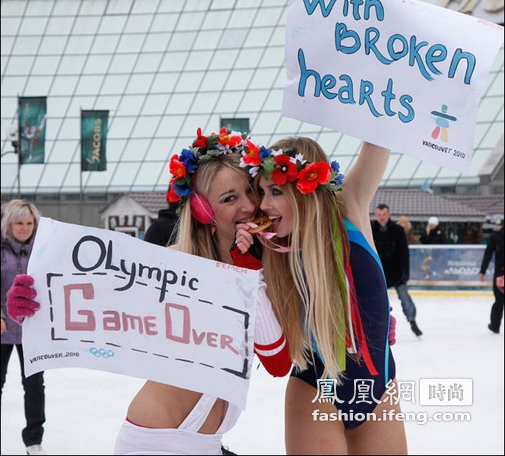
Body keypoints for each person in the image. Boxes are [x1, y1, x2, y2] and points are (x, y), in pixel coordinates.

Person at [7, 128, 291, 456]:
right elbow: (97, 300)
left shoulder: (267, 264)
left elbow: (277, 361)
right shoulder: (173, 266)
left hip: (208, 443)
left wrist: (248, 270)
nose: (248, 206)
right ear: (201, 211)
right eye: (229, 198)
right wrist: (36, 302)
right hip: (156, 440)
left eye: (250, 192)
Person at [236, 137, 406, 454]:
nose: (263, 205)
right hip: (315, 390)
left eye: (275, 191)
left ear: (304, 187)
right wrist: (244, 261)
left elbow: (381, 139)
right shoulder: (267, 252)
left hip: (379, 390)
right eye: (261, 192)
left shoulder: (348, 206)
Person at [1, 200, 46, 456]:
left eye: (29, 223)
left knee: (34, 385)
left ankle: (34, 440)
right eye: (20, 222)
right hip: (3, 328)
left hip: (32, 329)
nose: (25, 227)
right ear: (10, 224)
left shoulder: (41, 249)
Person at [372, 204, 422, 337]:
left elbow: (404, 253)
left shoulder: (398, 230)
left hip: (396, 272)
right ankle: (377, 325)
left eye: (384, 214)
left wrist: (405, 274)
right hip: (378, 272)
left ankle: (412, 321)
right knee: (376, 300)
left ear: (389, 215)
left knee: (405, 297)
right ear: (376, 216)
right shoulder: (371, 229)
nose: (382, 218)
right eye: (379, 215)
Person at [479, 217, 504, 334]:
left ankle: (495, 325)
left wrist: (482, 271)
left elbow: (488, 254)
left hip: (500, 272)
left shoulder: (495, 236)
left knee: (499, 300)